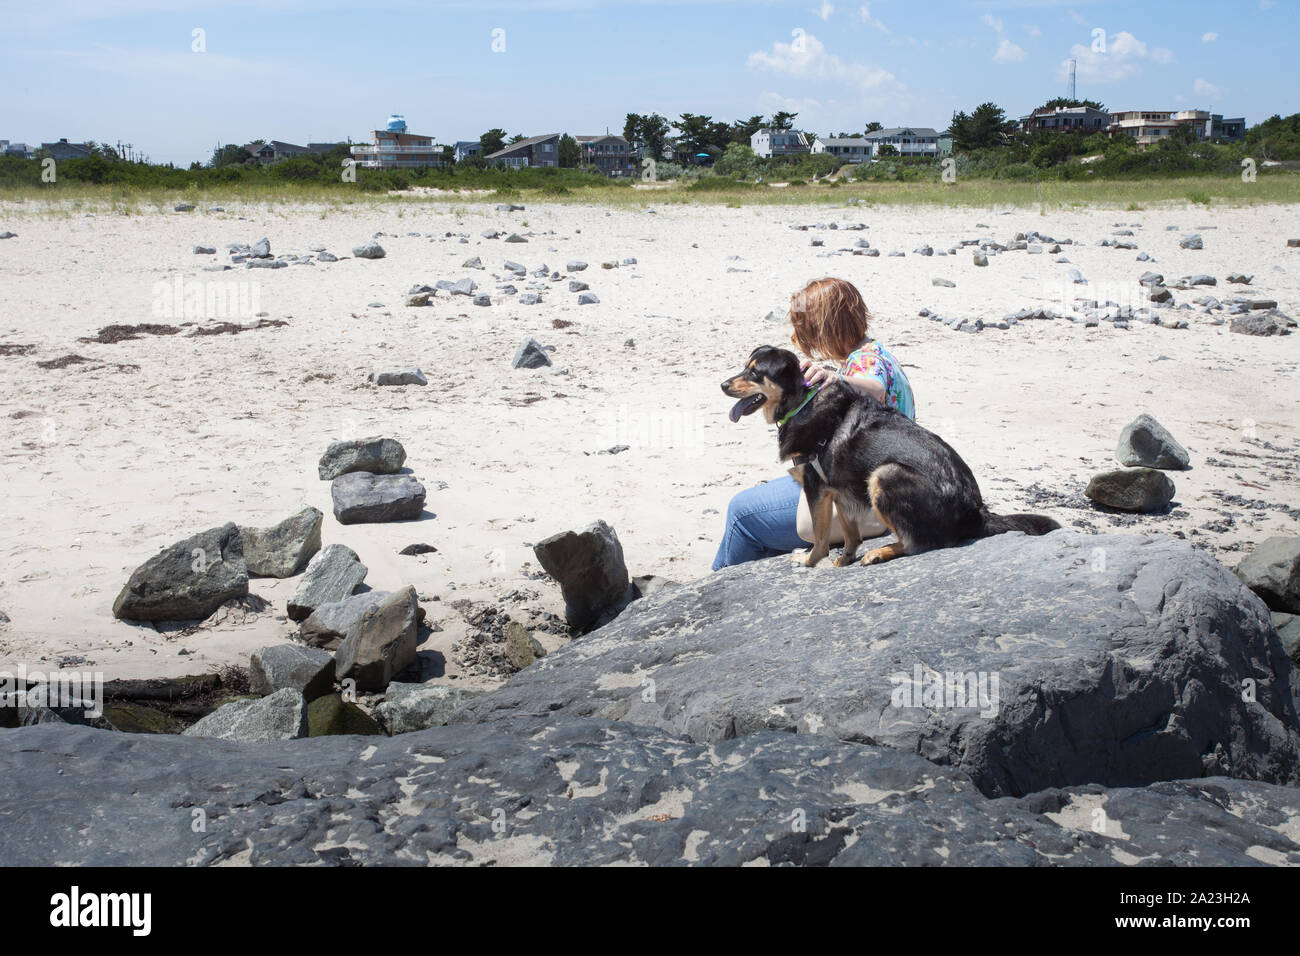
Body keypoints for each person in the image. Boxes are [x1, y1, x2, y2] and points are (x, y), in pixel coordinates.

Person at [712, 276, 917, 571]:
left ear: (825, 326)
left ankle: (718, 591)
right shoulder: (876, 353)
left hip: (863, 500)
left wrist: (839, 379)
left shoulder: (866, 363)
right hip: (877, 489)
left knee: (742, 514)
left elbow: (874, 387)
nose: (798, 339)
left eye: (804, 329)